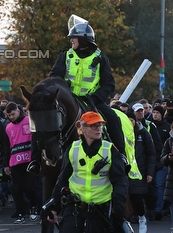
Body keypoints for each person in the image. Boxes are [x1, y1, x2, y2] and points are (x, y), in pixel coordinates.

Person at [45, 111, 129, 233]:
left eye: (99, 125)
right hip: (74, 209)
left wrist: (118, 210)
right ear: (81, 129)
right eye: (92, 125)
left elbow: (120, 182)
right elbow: (63, 179)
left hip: (100, 212)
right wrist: (53, 205)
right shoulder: (73, 150)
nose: (97, 128)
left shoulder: (110, 151)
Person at [48, 14, 124, 153]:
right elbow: (54, 77)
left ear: (83, 40)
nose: (71, 40)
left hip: (92, 101)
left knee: (113, 118)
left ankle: (121, 155)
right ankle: (35, 159)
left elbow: (109, 84)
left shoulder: (100, 58)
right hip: (67, 99)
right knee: (43, 118)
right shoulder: (65, 56)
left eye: (74, 37)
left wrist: (96, 97)